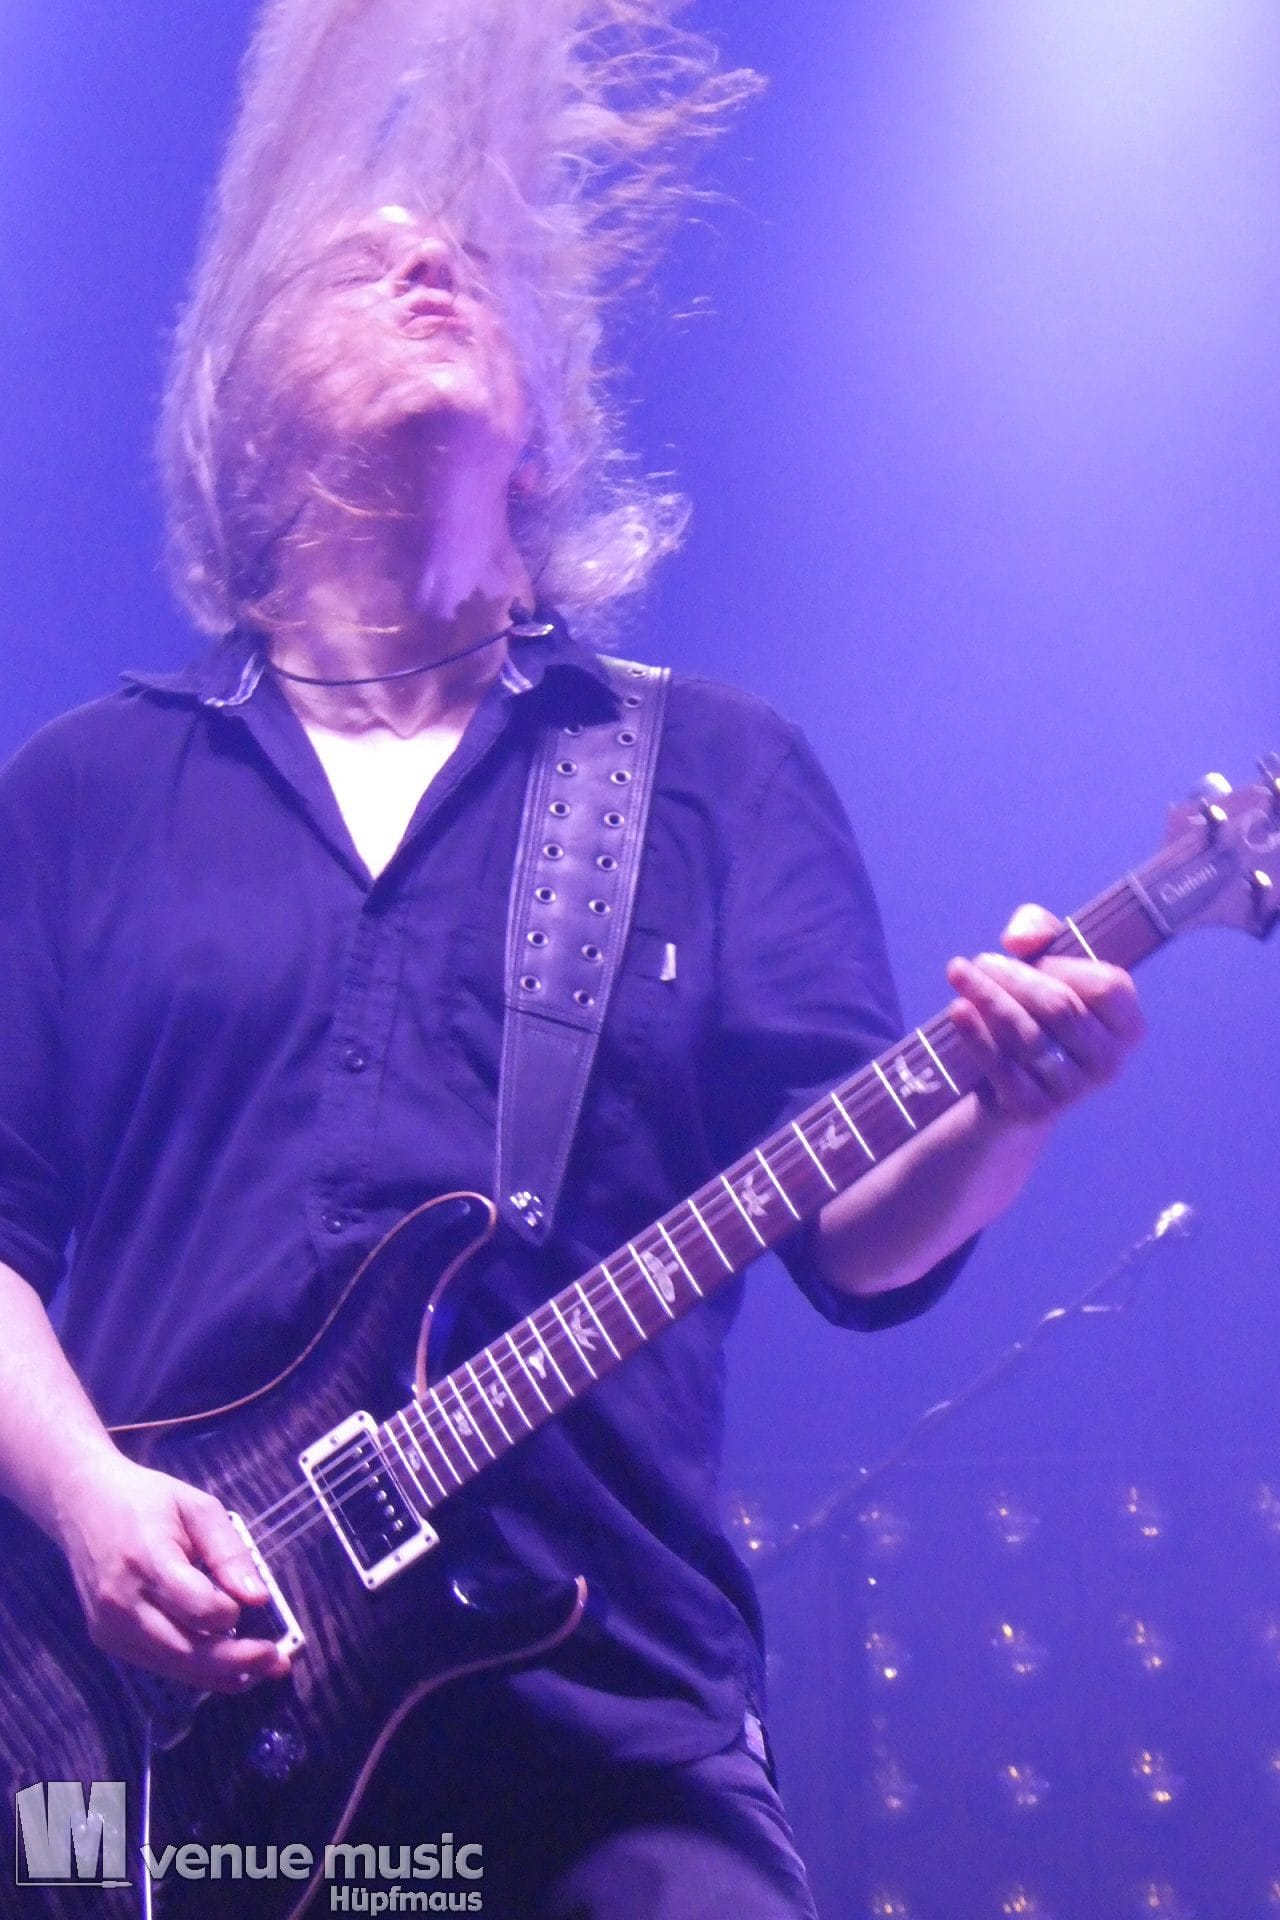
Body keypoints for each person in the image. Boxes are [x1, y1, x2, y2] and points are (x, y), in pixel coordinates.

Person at [0, 3, 1143, 1914]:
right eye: (365, 261)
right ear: (245, 407)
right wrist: (86, 1497)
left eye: (470, 264)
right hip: (127, 1736)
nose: (435, 266)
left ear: (541, 424)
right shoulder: (84, 792)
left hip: (602, 1720)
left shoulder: (710, 772)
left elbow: (858, 1240)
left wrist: (1012, 1109)